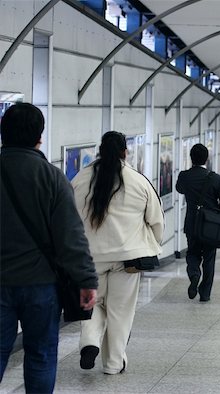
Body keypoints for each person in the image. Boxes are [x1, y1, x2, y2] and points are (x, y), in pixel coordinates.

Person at [0, 103, 98, 393]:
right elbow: (71, 237)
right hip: (41, 285)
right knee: (41, 356)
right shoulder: (53, 178)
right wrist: (86, 280)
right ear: (39, 138)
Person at [72, 131, 164, 375]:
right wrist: (153, 243)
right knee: (120, 311)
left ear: (100, 150)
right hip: (128, 258)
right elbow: (156, 220)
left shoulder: (81, 178)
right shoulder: (137, 180)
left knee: (94, 303)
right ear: (125, 151)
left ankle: (89, 342)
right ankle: (113, 363)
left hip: (90, 257)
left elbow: (68, 216)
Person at [176, 143, 220, 300]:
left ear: (191, 158)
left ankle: (194, 274)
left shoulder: (184, 176)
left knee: (192, 253)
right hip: (210, 225)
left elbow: (179, 189)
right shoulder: (216, 178)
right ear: (207, 158)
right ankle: (205, 293)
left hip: (192, 222)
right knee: (209, 258)